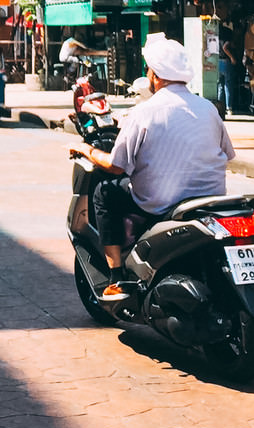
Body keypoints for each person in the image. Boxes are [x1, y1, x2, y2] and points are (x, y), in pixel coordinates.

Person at [63, 33, 235, 302]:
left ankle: (117, 276)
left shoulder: (146, 111)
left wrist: (88, 150)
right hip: (209, 200)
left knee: (105, 193)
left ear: (154, 75)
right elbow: (228, 153)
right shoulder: (208, 108)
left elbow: (116, 166)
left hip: (160, 203)